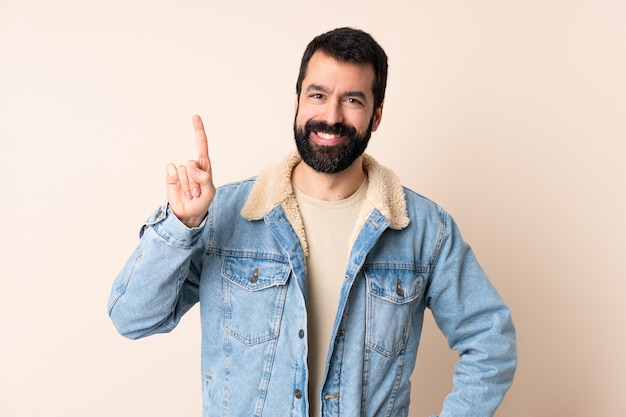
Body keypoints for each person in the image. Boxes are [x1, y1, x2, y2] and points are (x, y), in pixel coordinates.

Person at [108, 27, 517, 417]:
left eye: (353, 100)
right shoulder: (224, 216)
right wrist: (180, 225)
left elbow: (490, 341)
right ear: (297, 102)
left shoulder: (425, 230)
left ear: (376, 115)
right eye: (318, 95)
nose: (331, 116)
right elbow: (133, 318)